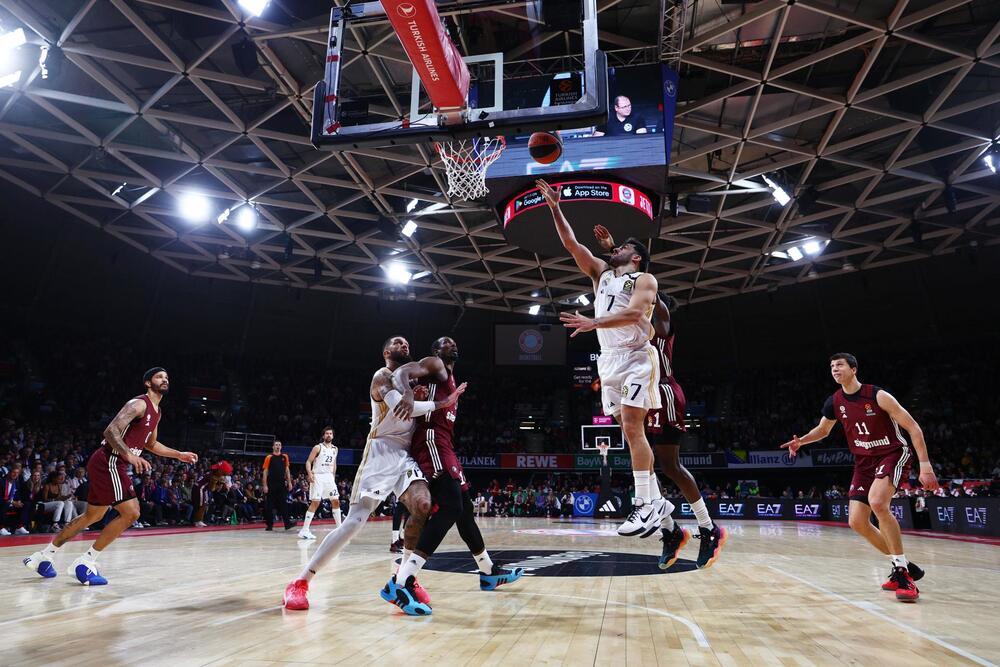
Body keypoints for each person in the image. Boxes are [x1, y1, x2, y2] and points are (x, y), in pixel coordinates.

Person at [282, 336, 466, 612]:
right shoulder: (381, 376)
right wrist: (442, 403)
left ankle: (403, 579)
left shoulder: (412, 380)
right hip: (380, 450)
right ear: (386, 352)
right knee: (354, 522)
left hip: (405, 454)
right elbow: (402, 411)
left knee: (424, 506)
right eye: (398, 343)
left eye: (407, 343)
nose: (405, 345)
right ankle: (300, 581)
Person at [536, 179, 669, 538]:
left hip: (637, 356)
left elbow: (634, 314)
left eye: (624, 246)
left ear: (636, 256)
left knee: (631, 426)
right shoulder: (601, 274)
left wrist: (593, 321)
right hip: (608, 360)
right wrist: (555, 207)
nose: (614, 246)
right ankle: (657, 500)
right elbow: (571, 244)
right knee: (628, 432)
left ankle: (644, 505)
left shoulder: (644, 279)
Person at [593, 224, 726, 568]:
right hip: (633, 382)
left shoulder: (658, 312)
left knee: (668, 463)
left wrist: (625, 265)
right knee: (642, 454)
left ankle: (708, 528)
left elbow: (638, 295)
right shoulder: (624, 299)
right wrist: (613, 256)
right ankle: (668, 527)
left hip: (663, 389)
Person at [780, 353, 939, 602]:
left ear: (853, 369)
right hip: (864, 462)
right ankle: (904, 567)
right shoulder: (834, 401)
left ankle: (905, 577)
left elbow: (913, 427)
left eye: (840, 365)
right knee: (856, 521)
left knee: (877, 503)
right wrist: (802, 441)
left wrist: (925, 465)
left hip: (892, 453)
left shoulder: (877, 395)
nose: (835, 369)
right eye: (831, 366)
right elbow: (823, 430)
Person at [385, 337, 525, 615]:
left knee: (465, 510)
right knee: (450, 507)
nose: (453, 344)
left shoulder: (448, 376)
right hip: (431, 442)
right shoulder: (434, 364)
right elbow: (401, 373)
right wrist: (409, 394)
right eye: (446, 343)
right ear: (436, 350)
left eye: (454, 343)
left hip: (445, 445)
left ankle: (488, 571)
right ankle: (401, 581)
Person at [23, 367, 198, 585]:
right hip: (111, 460)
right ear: (147, 382)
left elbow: (151, 444)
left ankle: (43, 557)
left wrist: (178, 454)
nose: (165, 380)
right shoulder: (139, 403)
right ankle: (85, 562)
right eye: (159, 377)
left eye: (167, 377)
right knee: (132, 513)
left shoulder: (157, 412)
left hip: (111, 462)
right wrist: (128, 455)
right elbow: (111, 430)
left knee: (92, 516)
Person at [299, 426, 341, 540]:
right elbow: (308, 461)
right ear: (323, 436)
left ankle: (339, 529)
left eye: (330, 434)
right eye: (327, 433)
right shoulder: (318, 447)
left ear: (333, 436)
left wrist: (332, 476)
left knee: (336, 501)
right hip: (318, 476)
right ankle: (305, 530)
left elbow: (334, 463)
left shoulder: (335, 449)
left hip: (329, 478)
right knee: (315, 503)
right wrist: (310, 473)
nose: (328, 435)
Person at [262, 441, 295, 531]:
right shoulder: (269, 457)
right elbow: (265, 472)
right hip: (271, 484)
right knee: (269, 505)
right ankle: (269, 525)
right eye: (276, 445)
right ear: (273, 447)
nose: (278, 446)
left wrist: (289, 482)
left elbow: (287, 471)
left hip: (281, 484)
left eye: (279, 445)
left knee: (284, 504)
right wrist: (265, 485)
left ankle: (287, 524)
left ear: (281, 447)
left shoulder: (285, 457)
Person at [1, 463, 30, 535]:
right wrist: (12, 502)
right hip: (2, 502)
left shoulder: (16, 483)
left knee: (26, 504)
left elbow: (17, 495)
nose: (15, 474)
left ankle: (19, 527)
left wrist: (18, 501)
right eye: (14, 472)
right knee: (6, 503)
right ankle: (1, 527)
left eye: (17, 473)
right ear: (9, 473)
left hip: (11, 502)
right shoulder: (2, 482)